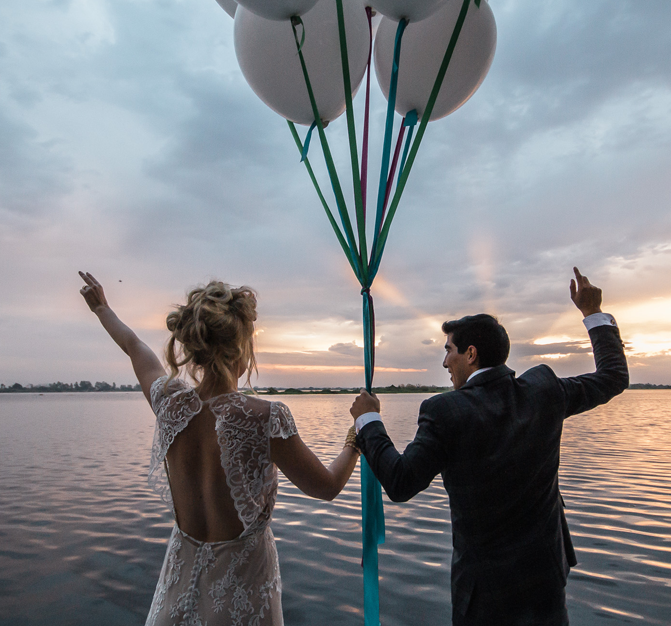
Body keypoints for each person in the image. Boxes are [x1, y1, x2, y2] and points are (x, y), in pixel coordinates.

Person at [78, 271, 360, 626]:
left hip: (178, 588)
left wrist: (102, 309)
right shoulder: (266, 417)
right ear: (241, 349)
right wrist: (356, 435)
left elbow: (135, 347)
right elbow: (327, 486)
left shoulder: (170, 405)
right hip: (243, 593)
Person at [349, 267, 628, 626]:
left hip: (484, 596)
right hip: (546, 579)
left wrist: (369, 420)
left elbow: (401, 481)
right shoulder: (544, 390)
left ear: (471, 353)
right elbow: (613, 376)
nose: (444, 361)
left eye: (448, 350)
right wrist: (592, 312)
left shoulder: (444, 411)